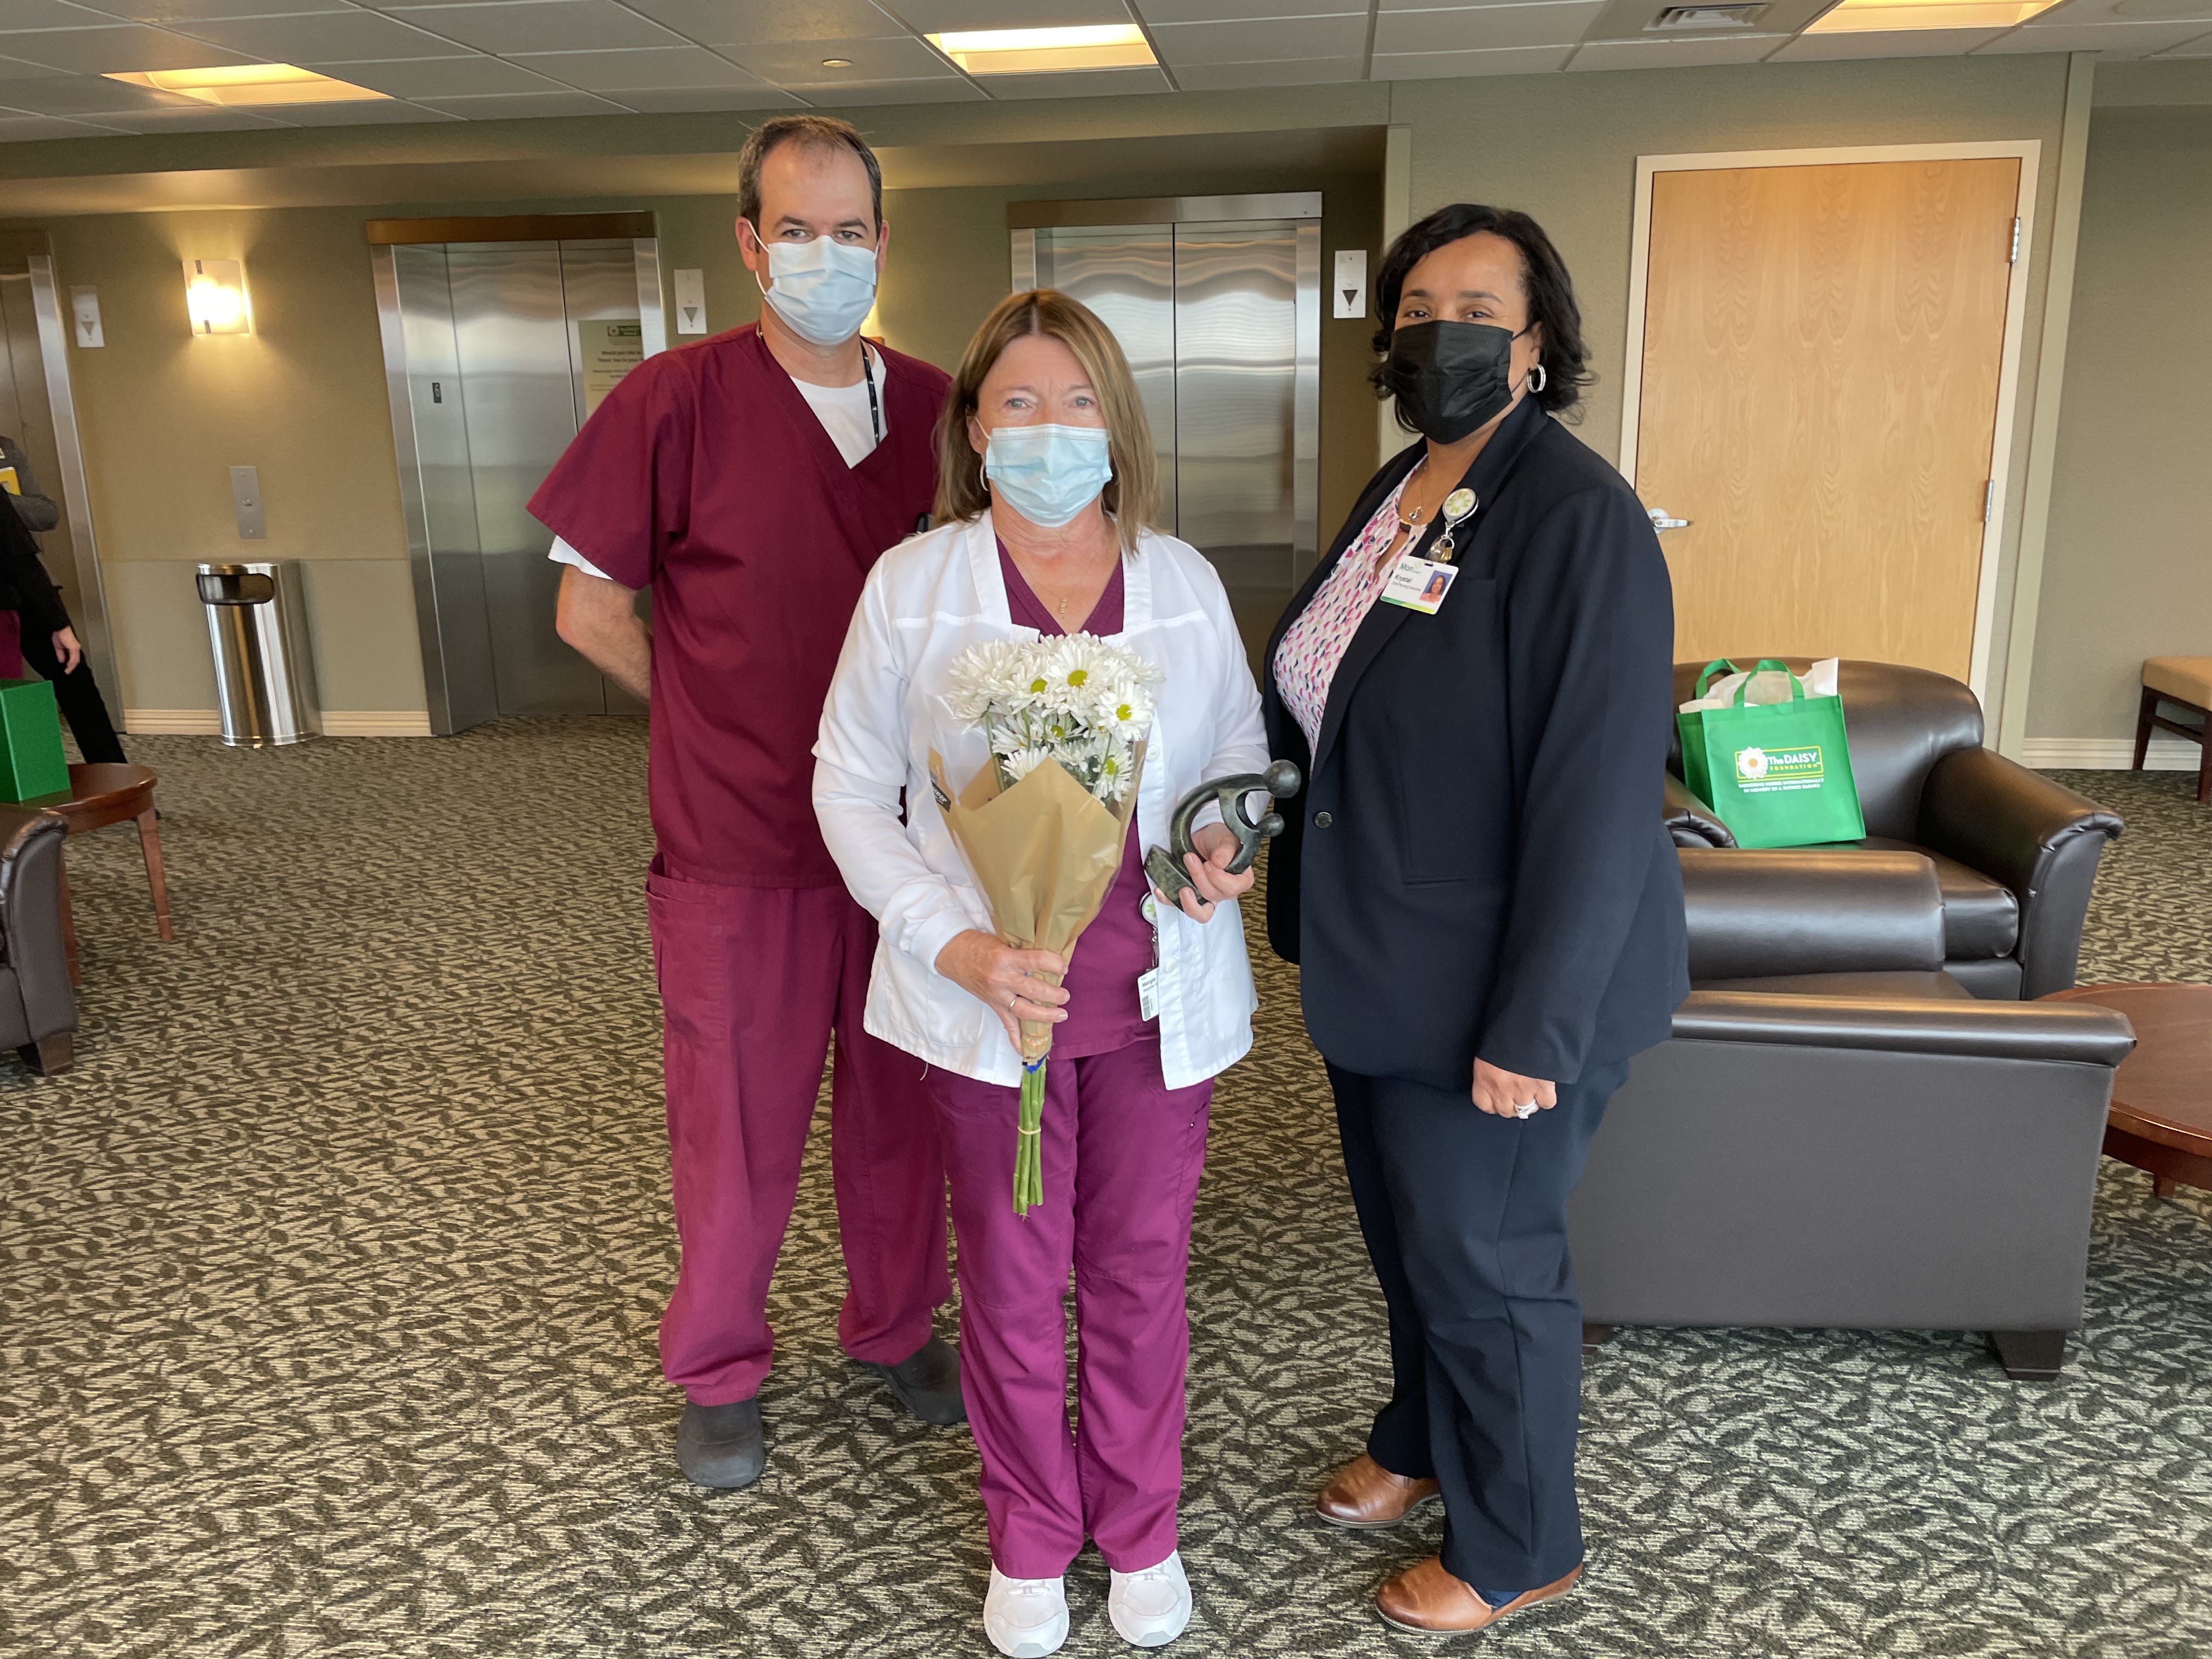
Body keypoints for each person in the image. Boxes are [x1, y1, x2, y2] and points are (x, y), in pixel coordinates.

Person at [815, 289, 1267, 1656]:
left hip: (1151, 995)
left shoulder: (1181, 582)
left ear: (1116, 429)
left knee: (1138, 1271)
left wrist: (1220, 843)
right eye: (1017, 403)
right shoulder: (916, 585)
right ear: (973, 429)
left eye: (1078, 404)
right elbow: (848, 788)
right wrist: (955, 946)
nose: (1049, 431)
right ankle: (1028, 1538)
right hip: (989, 1000)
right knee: (1010, 1280)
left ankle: (1140, 1529)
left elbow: (1237, 762)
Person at [1262, 205, 1689, 1635]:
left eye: (1478, 307)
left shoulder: (1579, 520)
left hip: (1504, 991)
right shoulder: (1411, 488)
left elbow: (1597, 794)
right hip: (1386, 959)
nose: (1441, 329)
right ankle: (1424, 1440)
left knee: (1489, 1264)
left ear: (1537, 342)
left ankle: (1521, 1542)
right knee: (1411, 1241)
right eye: (1417, 303)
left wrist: (1535, 1025)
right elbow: (1333, 699)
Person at [527, 114, 961, 1492]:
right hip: (739, 844)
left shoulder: (945, 406)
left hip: (906, 847)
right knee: (736, 1120)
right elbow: (586, 605)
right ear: (747, 243)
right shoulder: (675, 401)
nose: (822, 254)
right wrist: (701, 712)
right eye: (794, 228)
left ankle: (894, 1331)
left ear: (881, 246)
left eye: (848, 231)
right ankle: (717, 1365)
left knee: (903, 1112)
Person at [0, 434, 126, 764]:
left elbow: (46, 513)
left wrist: (3, 503)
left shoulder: (6, 448)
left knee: (74, 678)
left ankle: (114, 778)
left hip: (31, 587)